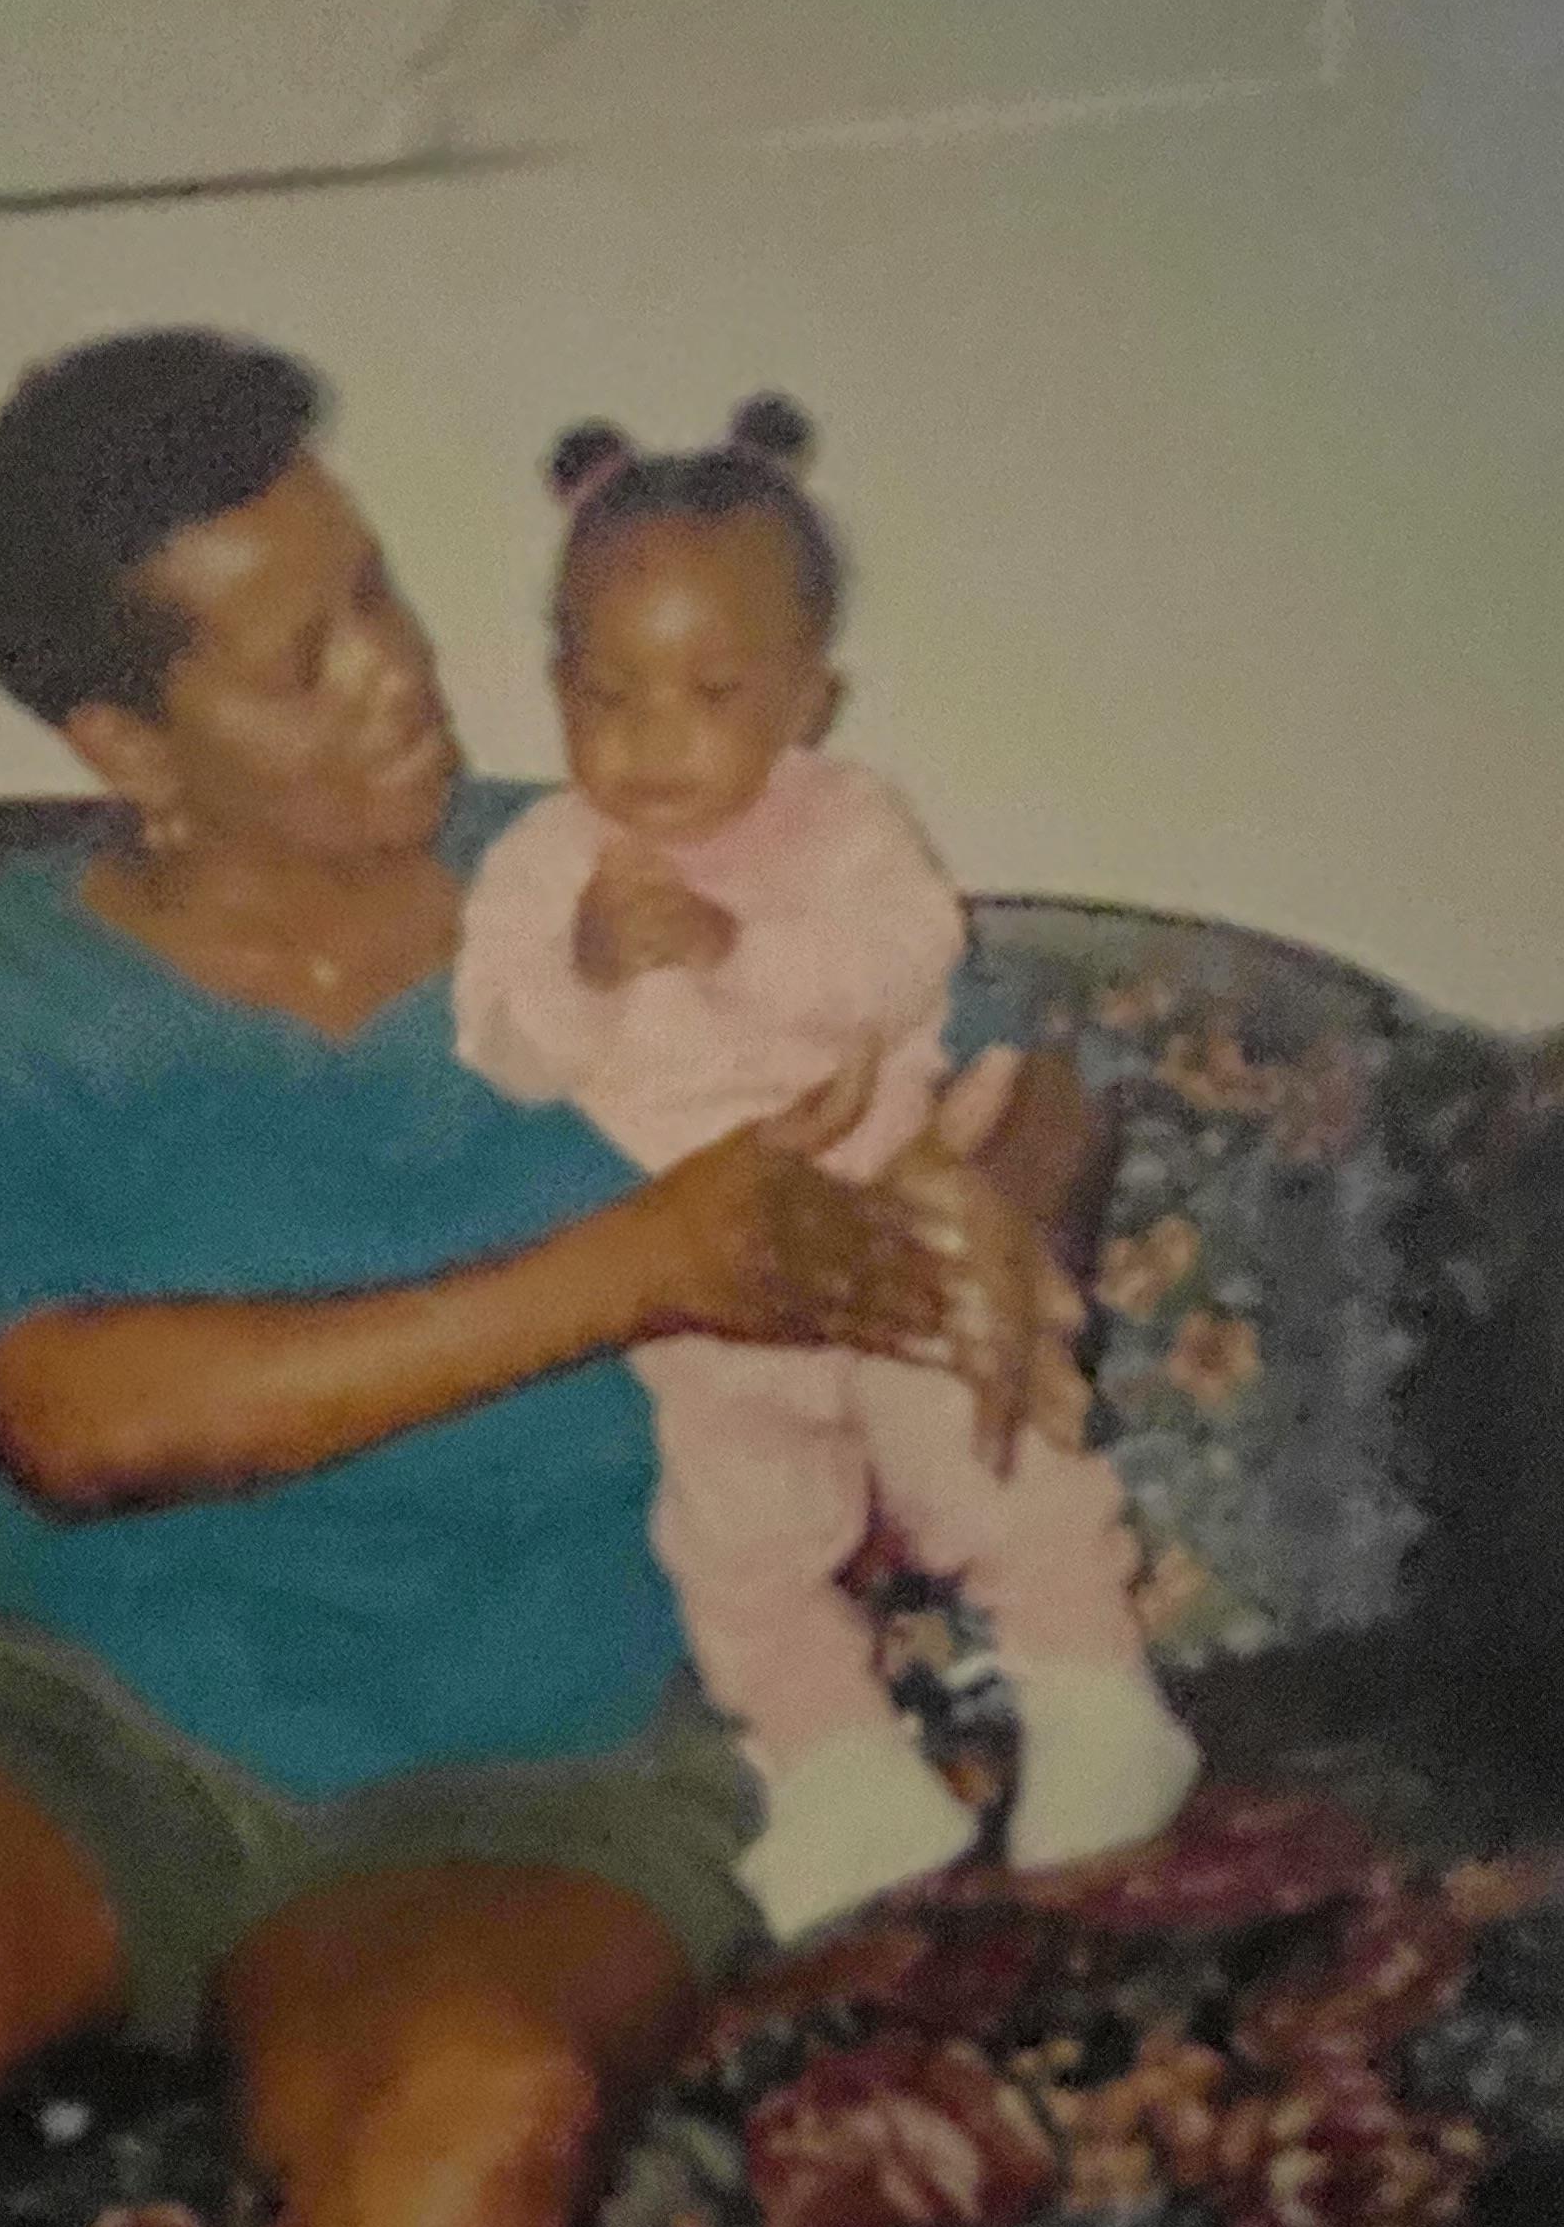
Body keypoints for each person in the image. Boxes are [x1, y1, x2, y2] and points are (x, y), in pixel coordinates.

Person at [0, 330, 1097, 2227]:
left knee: (479, 2121)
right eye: (301, 659)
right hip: (63, 1721)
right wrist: (631, 1269)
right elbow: (74, 1418)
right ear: (128, 743)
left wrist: (1002, 1210)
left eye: (375, 591)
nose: (399, 675)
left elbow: (1019, 1067)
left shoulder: (643, 864)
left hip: (533, 1759)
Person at [451, 398, 1198, 1937]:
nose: (653, 740)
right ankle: (844, 1775)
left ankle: (1096, 1703)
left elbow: (907, 960)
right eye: (608, 693)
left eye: (712, 693)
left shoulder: (843, 826)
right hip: (700, 1299)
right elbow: (504, 1046)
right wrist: (586, 966)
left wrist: (738, 948)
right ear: (551, 690)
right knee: (733, 1558)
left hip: (880, 1223)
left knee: (984, 1460)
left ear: (809, 700)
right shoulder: (541, 865)